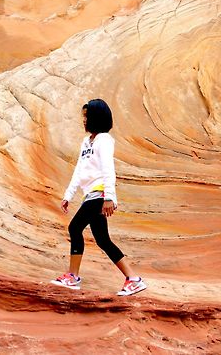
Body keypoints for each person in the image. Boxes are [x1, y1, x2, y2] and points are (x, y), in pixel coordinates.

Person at [51, 98, 147, 296]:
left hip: (100, 193)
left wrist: (109, 197)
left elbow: (108, 169)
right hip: (90, 195)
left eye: (87, 117)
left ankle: (73, 276)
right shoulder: (86, 142)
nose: (84, 120)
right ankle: (133, 279)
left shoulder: (104, 140)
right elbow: (79, 170)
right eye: (84, 117)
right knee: (103, 240)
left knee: (75, 227)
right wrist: (68, 194)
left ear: (97, 118)